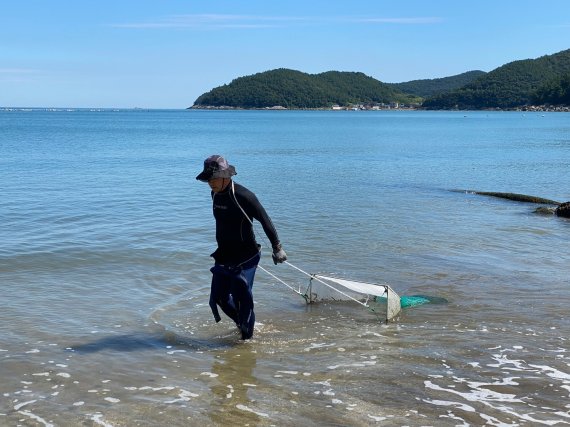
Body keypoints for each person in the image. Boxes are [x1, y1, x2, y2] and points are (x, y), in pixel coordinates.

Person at [196, 155, 287, 340]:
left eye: (214, 178)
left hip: (246, 256)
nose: (210, 183)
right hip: (224, 255)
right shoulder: (215, 193)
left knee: (242, 300)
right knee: (219, 297)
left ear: (226, 176)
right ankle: (243, 325)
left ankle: (246, 344)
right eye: (208, 179)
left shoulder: (244, 196)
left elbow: (265, 220)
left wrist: (277, 247)